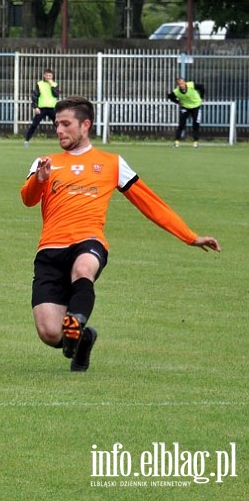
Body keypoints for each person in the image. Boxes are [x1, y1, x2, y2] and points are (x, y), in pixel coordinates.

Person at [20, 96, 220, 372]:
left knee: (84, 268)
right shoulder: (45, 162)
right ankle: (81, 337)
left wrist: (189, 236)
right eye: (56, 124)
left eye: (66, 124)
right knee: (50, 333)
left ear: (85, 125)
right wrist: (38, 181)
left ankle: (76, 320)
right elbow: (28, 200)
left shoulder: (112, 163)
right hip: (50, 249)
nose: (59, 130)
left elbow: (149, 201)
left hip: (89, 241)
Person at [24, 68, 59, 146]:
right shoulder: (39, 84)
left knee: (58, 125)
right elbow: (35, 96)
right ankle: (27, 140)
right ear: (44, 76)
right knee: (34, 124)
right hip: (41, 108)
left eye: (50, 75)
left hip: (52, 108)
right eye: (47, 75)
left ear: (52, 76)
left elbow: (56, 94)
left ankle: (64, 141)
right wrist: (36, 107)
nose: (48, 77)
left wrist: (51, 85)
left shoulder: (55, 84)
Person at [167, 77, 205, 148]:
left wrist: (201, 97)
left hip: (196, 106)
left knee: (196, 125)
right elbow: (170, 97)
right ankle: (176, 142)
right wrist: (178, 102)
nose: (181, 85)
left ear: (185, 82)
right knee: (181, 124)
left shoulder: (191, 85)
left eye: (182, 83)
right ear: (177, 85)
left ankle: (195, 142)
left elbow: (202, 87)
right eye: (179, 84)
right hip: (185, 107)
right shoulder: (176, 91)